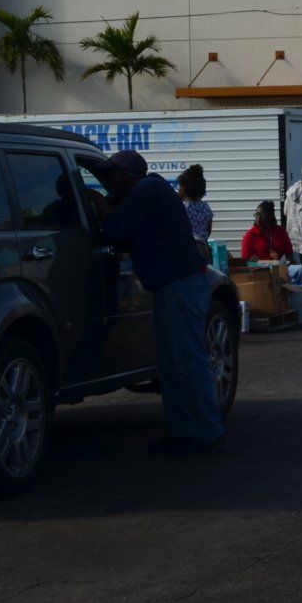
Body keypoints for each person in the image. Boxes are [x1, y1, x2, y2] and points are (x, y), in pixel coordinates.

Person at [95, 150, 226, 456]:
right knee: (173, 365)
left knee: (187, 362)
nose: (108, 184)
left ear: (125, 177)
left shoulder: (146, 191)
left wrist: (101, 205)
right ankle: (184, 433)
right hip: (176, 286)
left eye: (111, 177)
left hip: (180, 287)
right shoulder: (152, 190)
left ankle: (206, 433)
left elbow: (114, 231)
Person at [177, 164, 213, 253]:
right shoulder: (206, 207)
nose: (178, 189)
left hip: (187, 251)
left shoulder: (182, 209)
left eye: (179, 186)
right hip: (204, 250)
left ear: (184, 188)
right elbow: (208, 230)